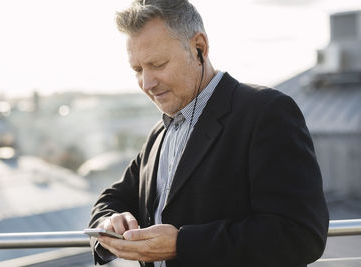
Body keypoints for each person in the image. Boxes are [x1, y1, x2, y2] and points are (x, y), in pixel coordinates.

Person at [88, 0, 329, 266]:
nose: (147, 83)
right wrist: (109, 223)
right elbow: (111, 199)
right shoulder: (159, 133)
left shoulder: (267, 112)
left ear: (199, 48)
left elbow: (300, 235)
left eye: (158, 64)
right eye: (137, 70)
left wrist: (182, 244)